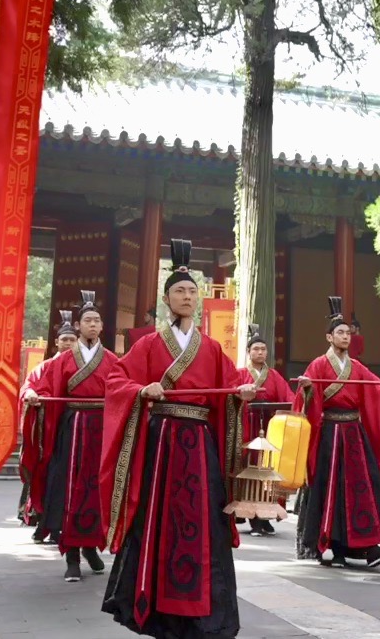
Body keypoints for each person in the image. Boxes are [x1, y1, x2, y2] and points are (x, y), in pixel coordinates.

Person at [100, 239, 255, 639]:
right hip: (163, 441)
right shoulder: (149, 344)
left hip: (199, 445)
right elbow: (117, 379)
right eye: (179, 292)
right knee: (159, 519)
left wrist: (243, 393)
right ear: (167, 300)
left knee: (204, 522)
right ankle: (157, 612)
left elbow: (233, 382)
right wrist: (140, 391)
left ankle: (206, 616)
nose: (187, 297)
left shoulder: (213, 347)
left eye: (191, 291)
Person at [292, 298, 380, 568]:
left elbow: (378, 389)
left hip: (354, 436)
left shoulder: (357, 368)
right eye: (340, 333)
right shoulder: (319, 365)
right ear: (329, 337)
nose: (346, 336)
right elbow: (307, 400)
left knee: (360, 489)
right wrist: (308, 389)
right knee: (328, 488)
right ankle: (327, 544)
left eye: (348, 332)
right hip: (330, 436)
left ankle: (364, 546)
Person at [25, 297, 119, 581]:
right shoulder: (63, 360)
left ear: (102, 326)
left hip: (101, 429)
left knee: (96, 489)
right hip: (73, 429)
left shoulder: (113, 360)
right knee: (71, 489)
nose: (93, 325)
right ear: (78, 326)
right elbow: (37, 384)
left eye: (97, 321)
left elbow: (126, 387)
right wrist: (31, 394)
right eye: (88, 321)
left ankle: (91, 547)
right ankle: (72, 556)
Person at [20, 324, 80, 540]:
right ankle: (43, 524)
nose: (68, 343)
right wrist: (33, 395)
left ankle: (59, 527)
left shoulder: (81, 366)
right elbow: (28, 387)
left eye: (72, 340)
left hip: (71, 429)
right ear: (56, 342)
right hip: (48, 432)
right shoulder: (45, 367)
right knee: (47, 477)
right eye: (64, 339)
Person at [233, 326, 293, 536]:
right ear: (249, 352)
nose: (260, 352)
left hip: (268, 427)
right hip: (248, 426)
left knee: (268, 470)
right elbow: (232, 395)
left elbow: (289, 398)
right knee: (249, 470)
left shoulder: (274, 376)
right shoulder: (240, 374)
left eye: (263, 349)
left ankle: (266, 514)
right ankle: (252, 516)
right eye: (256, 349)